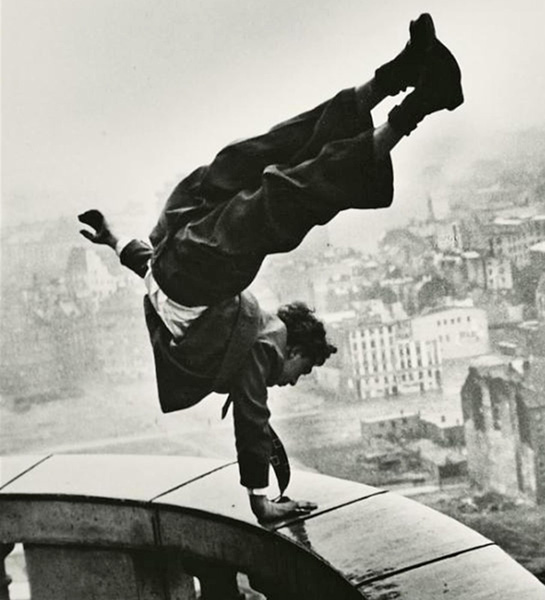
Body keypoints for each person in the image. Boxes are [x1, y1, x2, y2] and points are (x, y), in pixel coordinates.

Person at [78, 13, 462, 526]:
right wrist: (261, 498)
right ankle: (415, 98)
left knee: (263, 157)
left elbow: (150, 274)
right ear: (294, 346)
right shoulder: (264, 344)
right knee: (287, 190)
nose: (290, 382)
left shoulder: (244, 332)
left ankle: (406, 83)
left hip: (174, 237)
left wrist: (111, 240)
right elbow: (252, 417)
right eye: (299, 372)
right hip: (187, 257)